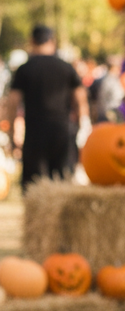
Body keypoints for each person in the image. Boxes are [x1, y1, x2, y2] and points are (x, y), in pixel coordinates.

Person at [5, 26, 90, 191]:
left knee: (34, 185)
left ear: (32, 41)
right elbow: (80, 99)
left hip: (35, 133)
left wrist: (11, 133)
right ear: (53, 42)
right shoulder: (66, 67)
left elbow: (13, 102)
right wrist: (82, 125)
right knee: (62, 183)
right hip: (62, 131)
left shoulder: (25, 69)